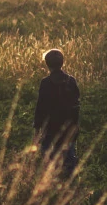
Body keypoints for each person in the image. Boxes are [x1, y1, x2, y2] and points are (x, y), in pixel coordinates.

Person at [33, 48, 80, 177]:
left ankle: (50, 179)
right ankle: (70, 181)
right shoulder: (71, 81)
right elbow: (76, 106)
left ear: (47, 64)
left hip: (50, 127)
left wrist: (37, 129)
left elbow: (40, 108)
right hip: (68, 126)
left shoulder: (45, 83)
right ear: (62, 63)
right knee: (69, 155)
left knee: (47, 156)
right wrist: (75, 126)